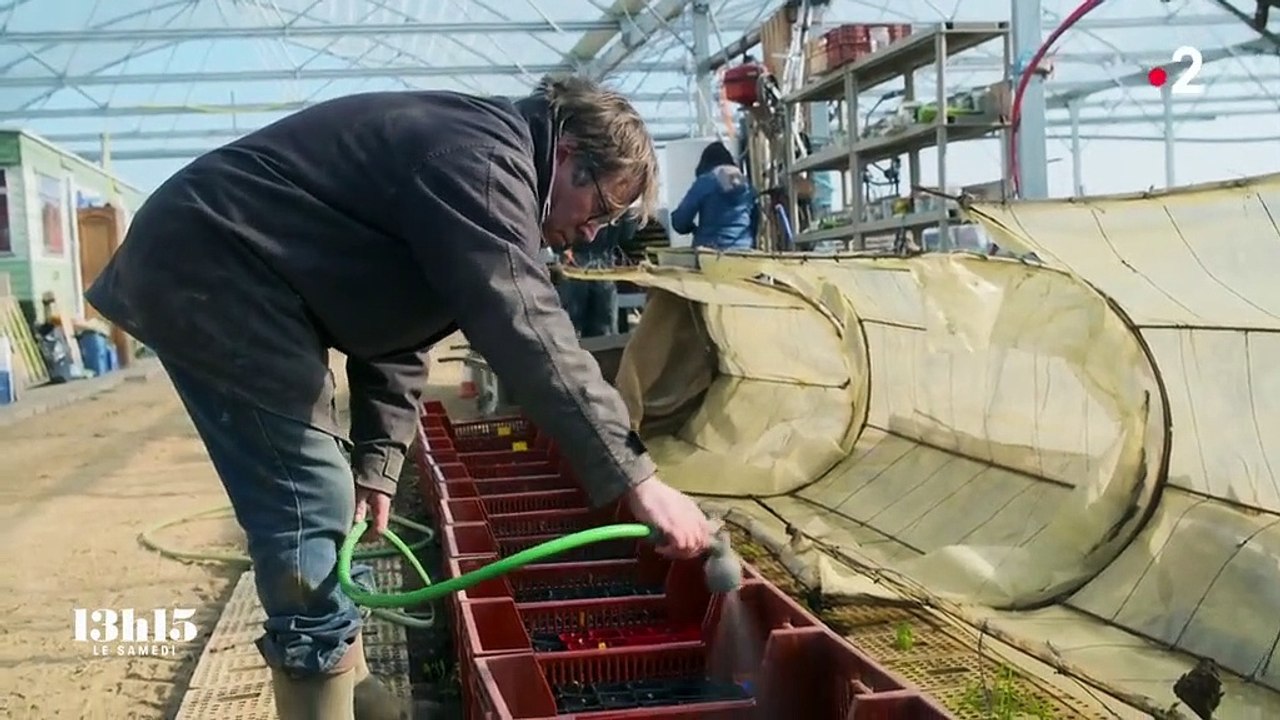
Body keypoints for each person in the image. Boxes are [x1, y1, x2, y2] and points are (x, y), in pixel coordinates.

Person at [84, 74, 715, 720]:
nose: (591, 234)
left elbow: (400, 326)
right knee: (306, 500)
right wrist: (640, 477)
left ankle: (354, 693)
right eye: (600, 210)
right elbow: (530, 330)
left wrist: (379, 465)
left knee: (327, 495)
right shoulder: (484, 165)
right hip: (215, 264)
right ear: (571, 154)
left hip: (232, 270)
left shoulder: (482, 162)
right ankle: (323, 691)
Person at [556, 214, 638, 337]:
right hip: (597, 266)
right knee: (600, 330)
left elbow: (626, 234)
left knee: (574, 328)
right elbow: (626, 235)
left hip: (587, 265)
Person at [670, 140, 758, 251]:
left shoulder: (706, 181)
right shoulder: (747, 185)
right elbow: (754, 222)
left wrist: (690, 228)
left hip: (711, 252)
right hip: (744, 252)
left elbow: (680, 220)